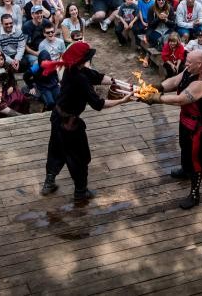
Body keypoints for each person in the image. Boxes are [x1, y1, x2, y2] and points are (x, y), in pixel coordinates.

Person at [38, 42, 132, 201]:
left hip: (57, 117)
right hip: (69, 125)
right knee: (79, 156)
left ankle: (49, 183)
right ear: (82, 61)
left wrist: (118, 82)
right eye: (88, 58)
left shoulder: (73, 69)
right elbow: (98, 104)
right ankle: (81, 192)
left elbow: (99, 77)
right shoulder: (79, 78)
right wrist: (122, 101)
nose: (90, 59)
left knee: (56, 149)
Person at [139, 50, 202, 209]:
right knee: (184, 147)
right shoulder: (189, 70)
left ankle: (195, 194)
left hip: (199, 126)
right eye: (186, 61)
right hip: (186, 119)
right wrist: (156, 88)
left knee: (196, 159)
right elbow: (174, 81)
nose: (186, 64)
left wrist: (155, 98)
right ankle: (186, 170)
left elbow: (180, 100)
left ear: (199, 64)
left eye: (189, 62)